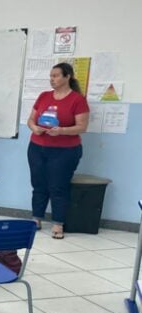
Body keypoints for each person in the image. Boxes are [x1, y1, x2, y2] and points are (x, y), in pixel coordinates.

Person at [26, 62, 89, 239]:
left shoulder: (77, 99)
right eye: (51, 76)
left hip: (65, 151)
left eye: (55, 76)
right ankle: (36, 218)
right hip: (37, 147)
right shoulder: (44, 96)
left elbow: (82, 127)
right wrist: (34, 128)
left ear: (67, 77)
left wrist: (61, 131)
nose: (52, 79)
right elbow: (31, 120)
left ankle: (58, 223)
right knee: (38, 184)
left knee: (58, 186)